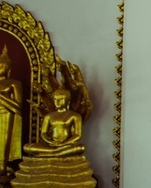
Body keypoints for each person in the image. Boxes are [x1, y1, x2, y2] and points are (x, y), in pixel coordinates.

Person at [24, 87, 86, 157]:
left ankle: (51, 154)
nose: (58, 102)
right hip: (52, 145)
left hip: (67, 145)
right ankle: (55, 152)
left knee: (81, 147)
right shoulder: (49, 116)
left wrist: (64, 143)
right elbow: (44, 133)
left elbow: (78, 135)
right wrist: (50, 142)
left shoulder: (75, 115)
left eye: (61, 99)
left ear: (68, 101)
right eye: (56, 100)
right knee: (27, 147)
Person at [0, 46, 24, 174]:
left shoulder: (14, 83)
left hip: (6, 113)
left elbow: (17, 106)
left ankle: (2, 166)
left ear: (8, 69)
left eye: (2, 65)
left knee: (3, 142)